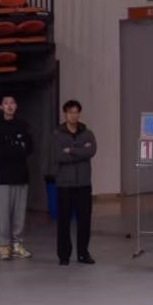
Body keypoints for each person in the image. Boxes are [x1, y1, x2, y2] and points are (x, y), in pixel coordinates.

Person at [51, 99, 97, 265]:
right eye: (70, 112)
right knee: (63, 221)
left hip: (83, 183)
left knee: (85, 220)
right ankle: (64, 256)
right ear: (65, 114)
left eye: (76, 112)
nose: (74, 115)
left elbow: (91, 151)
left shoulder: (87, 133)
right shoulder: (57, 134)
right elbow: (59, 156)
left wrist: (70, 150)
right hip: (64, 184)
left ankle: (83, 253)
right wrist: (80, 152)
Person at [0, 94, 34, 260]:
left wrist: (14, 146)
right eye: (6, 103)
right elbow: (0, 151)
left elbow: (29, 148)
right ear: (1, 107)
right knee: (3, 214)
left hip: (21, 175)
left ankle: (17, 244)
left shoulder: (23, 125)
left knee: (19, 213)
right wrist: (17, 146)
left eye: (12, 102)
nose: (9, 106)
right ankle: (4, 245)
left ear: (16, 106)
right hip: (3, 176)